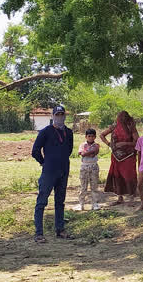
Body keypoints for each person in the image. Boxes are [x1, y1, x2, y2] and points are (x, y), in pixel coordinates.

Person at [31, 104, 74, 243]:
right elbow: (35, 151)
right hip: (49, 171)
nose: (59, 118)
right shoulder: (45, 132)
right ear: (52, 116)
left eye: (62, 115)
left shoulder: (69, 132)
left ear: (64, 116)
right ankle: (39, 233)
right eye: (57, 115)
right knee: (42, 201)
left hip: (63, 170)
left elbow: (69, 150)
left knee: (60, 202)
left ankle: (60, 230)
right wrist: (44, 162)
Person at [100, 110, 139, 205]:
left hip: (129, 156)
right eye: (120, 118)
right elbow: (102, 135)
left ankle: (131, 198)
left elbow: (137, 141)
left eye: (124, 117)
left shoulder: (131, 126)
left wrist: (124, 143)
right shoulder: (114, 126)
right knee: (117, 176)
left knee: (129, 176)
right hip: (116, 156)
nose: (122, 119)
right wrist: (109, 144)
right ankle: (119, 197)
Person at [75, 128, 100, 211]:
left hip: (94, 167)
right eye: (89, 136)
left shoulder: (96, 145)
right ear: (86, 137)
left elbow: (94, 152)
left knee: (94, 186)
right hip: (84, 167)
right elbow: (81, 153)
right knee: (83, 187)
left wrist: (86, 153)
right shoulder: (82, 145)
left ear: (95, 137)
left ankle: (95, 204)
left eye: (92, 136)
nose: (91, 138)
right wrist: (88, 152)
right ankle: (81, 204)